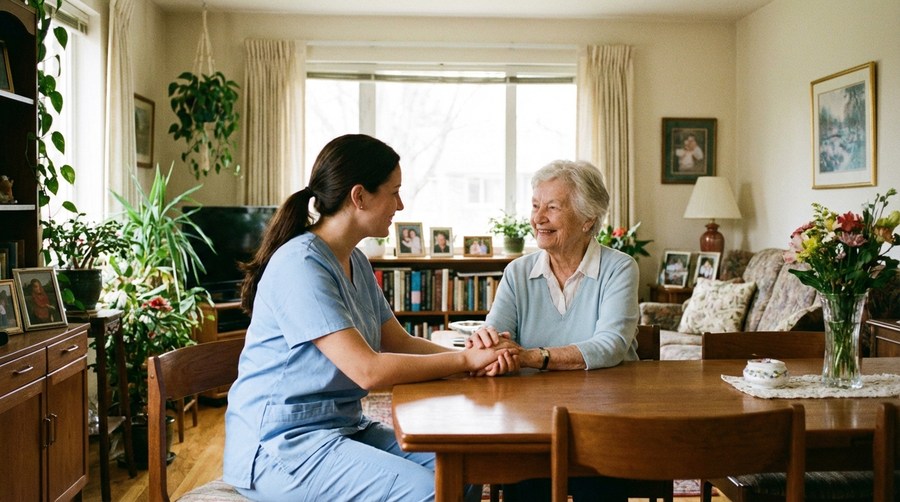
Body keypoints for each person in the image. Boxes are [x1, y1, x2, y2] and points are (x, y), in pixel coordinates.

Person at [223, 134, 517, 502]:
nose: (400, 204)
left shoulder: (355, 261)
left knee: (465, 470)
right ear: (359, 196)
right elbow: (367, 370)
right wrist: (463, 359)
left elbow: (399, 342)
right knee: (430, 493)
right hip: (279, 446)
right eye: (393, 192)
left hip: (341, 428)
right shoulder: (301, 264)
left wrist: (472, 358)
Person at [466, 159, 639, 502]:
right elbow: (497, 334)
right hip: (532, 421)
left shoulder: (620, 269)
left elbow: (611, 345)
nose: (538, 218)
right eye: (534, 206)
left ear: (588, 219)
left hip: (604, 420)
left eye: (552, 207)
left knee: (601, 487)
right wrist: (487, 346)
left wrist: (532, 356)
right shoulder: (517, 272)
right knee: (525, 484)